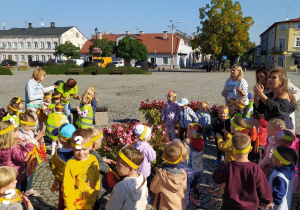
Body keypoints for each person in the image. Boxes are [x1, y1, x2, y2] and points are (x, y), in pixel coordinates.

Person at [213, 132, 273, 209]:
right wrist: (268, 201)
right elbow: (263, 188)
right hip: (250, 207)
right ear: (250, 149)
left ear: (233, 149)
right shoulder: (255, 168)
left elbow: (216, 178)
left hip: (230, 206)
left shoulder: (228, 166)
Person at [62, 129, 100, 209]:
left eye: (84, 149)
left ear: (91, 146)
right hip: (76, 205)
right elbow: (67, 187)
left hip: (91, 201)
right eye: (77, 150)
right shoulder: (70, 165)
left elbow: (97, 178)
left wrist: (96, 193)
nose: (81, 153)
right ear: (72, 147)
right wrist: (69, 206)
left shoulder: (93, 159)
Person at [150, 142, 187, 209]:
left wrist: (157, 175)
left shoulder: (162, 175)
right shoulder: (183, 173)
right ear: (180, 160)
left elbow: (153, 189)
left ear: (163, 157)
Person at [0, 120, 34, 191]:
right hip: (14, 176)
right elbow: (23, 157)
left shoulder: (2, 145)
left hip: (4, 175)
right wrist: (29, 146)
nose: (18, 132)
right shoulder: (13, 147)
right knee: (15, 191)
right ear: (10, 134)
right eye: (16, 131)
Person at [18, 110, 46, 195]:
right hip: (27, 157)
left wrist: (40, 140)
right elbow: (27, 145)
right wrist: (37, 138)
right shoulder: (19, 134)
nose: (32, 128)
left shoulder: (30, 131)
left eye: (33, 126)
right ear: (22, 124)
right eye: (30, 126)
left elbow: (35, 142)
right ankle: (24, 189)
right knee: (26, 174)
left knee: (32, 172)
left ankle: (29, 188)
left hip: (34, 156)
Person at [49, 123, 76, 210]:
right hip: (76, 180)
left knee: (62, 198)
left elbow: (53, 166)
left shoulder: (57, 153)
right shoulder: (78, 153)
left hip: (62, 180)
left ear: (61, 140)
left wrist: (56, 175)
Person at [87, 127, 116, 200]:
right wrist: (103, 162)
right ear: (94, 144)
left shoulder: (85, 153)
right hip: (98, 187)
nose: (101, 142)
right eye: (100, 140)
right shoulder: (94, 155)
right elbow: (105, 169)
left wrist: (103, 160)